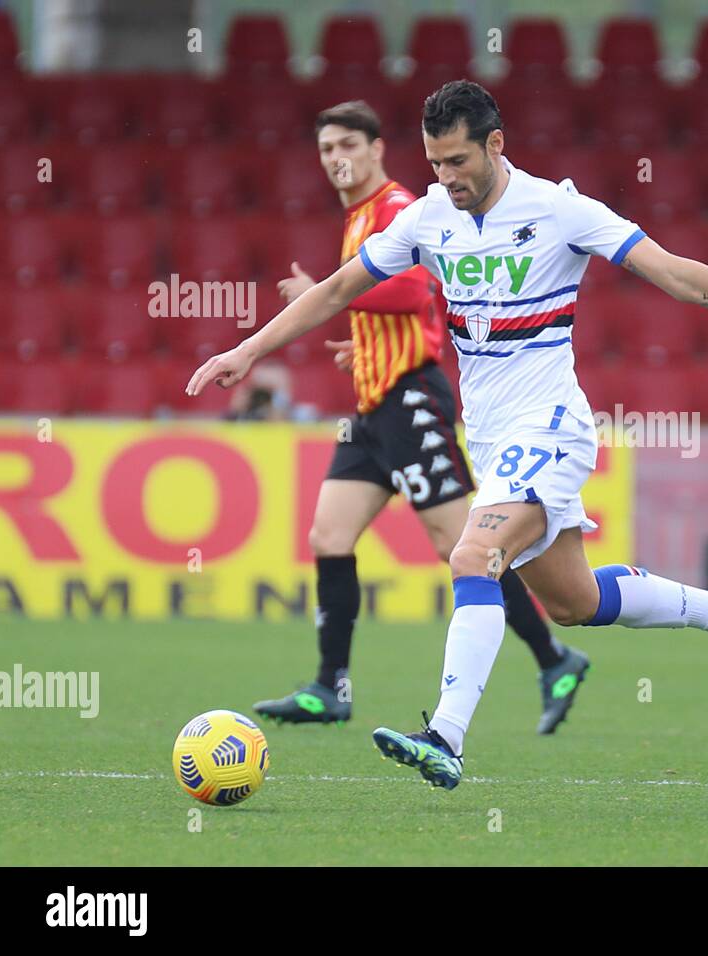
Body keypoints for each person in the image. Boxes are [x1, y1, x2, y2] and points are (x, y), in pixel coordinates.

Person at [188, 80, 708, 791]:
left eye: (458, 162)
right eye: (435, 164)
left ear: (496, 144)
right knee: (575, 602)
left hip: (554, 428)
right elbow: (335, 291)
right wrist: (249, 349)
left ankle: (445, 735)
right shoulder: (428, 219)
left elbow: (676, 275)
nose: (446, 179)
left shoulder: (559, 209)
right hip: (495, 438)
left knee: (474, 556)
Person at [249, 100, 592, 736]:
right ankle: (331, 686)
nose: (336, 159)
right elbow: (399, 308)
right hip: (372, 403)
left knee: (459, 546)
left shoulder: (405, 206)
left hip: (411, 398)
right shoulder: (361, 215)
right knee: (329, 537)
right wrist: (361, 339)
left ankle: (554, 656)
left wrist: (324, 294)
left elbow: (413, 291)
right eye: (326, 149)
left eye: (348, 144)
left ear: (378, 149)